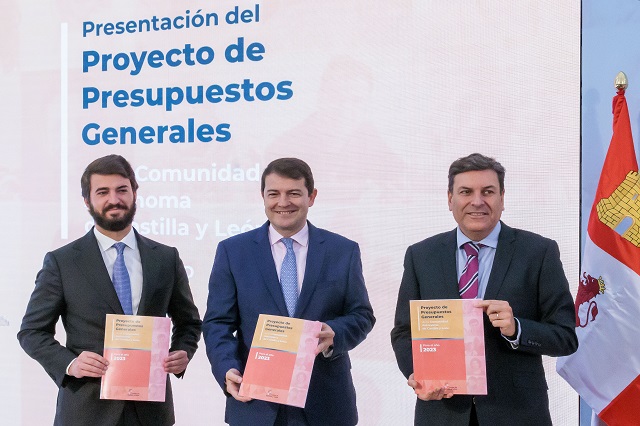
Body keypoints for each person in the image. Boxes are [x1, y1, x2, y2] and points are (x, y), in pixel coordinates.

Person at [390, 153, 578, 425]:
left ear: (502, 198)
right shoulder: (421, 256)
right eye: (466, 192)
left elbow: (565, 337)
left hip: (517, 413)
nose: (477, 201)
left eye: (487, 192)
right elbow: (403, 332)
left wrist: (516, 329)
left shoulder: (539, 252)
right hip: (442, 413)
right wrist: (418, 375)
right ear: (450, 199)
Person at [18, 155, 202, 426]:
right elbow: (31, 332)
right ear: (87, 201)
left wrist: (182, 352)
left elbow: (189, 323)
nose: (114, 199)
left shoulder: (165, 258)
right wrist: (70, 364)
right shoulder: (62, 262)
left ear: (135, 193)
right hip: (85, 410)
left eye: (121, 190)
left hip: (151, 412)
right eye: (102, 192)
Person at [203, 157, 375, 426]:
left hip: (326, 405)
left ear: (312, 196)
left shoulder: (342, 250)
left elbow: (362, 315)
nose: (283, 202)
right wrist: (227, 368)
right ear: (263, 197)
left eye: (293, 193)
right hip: (256, 403)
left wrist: (335, 333)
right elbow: (218, 323)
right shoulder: (233, 251)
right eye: (274, 194)